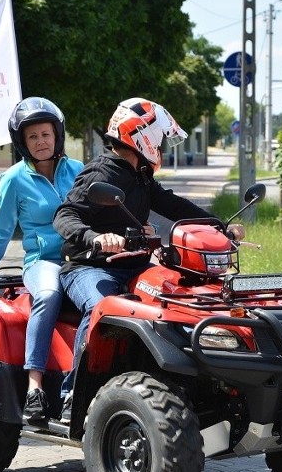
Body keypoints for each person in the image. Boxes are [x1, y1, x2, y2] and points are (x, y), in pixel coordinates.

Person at [53, 97, 244, 422]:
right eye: (160, 140)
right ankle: (74, 393)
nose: (162, 147)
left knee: (179, 296)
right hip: (87, 267)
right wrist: (95, 238)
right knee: (101, 304)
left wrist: (220, 226)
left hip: (134, 264)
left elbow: (173, 205)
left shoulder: (139, 175)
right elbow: (65, 214)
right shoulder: (102, 172)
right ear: (141, 136)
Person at [0, 97, 83, 422]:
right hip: (44, 262)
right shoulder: (14, 179)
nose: (41, 142)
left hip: (83, 259)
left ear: (57, 135)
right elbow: (1, 232)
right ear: (22, 142)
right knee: (48, 295)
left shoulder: (79, 171)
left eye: (46, 134)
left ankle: (82, 384)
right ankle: (35, 388)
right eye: (33, 137)